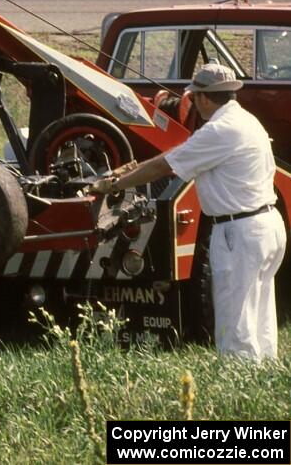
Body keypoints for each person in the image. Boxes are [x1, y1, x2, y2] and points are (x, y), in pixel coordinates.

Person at [93, 64, 286, 361]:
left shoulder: (219, 130)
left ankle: (236, 388)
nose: (193, 103)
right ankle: (263, 372)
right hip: (265, 224)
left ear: (205, 98)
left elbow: (164, 166)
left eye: (195, 98)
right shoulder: (246, 121)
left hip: (239, 230)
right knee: (259, 315)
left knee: (234, 322)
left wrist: (114, 184)